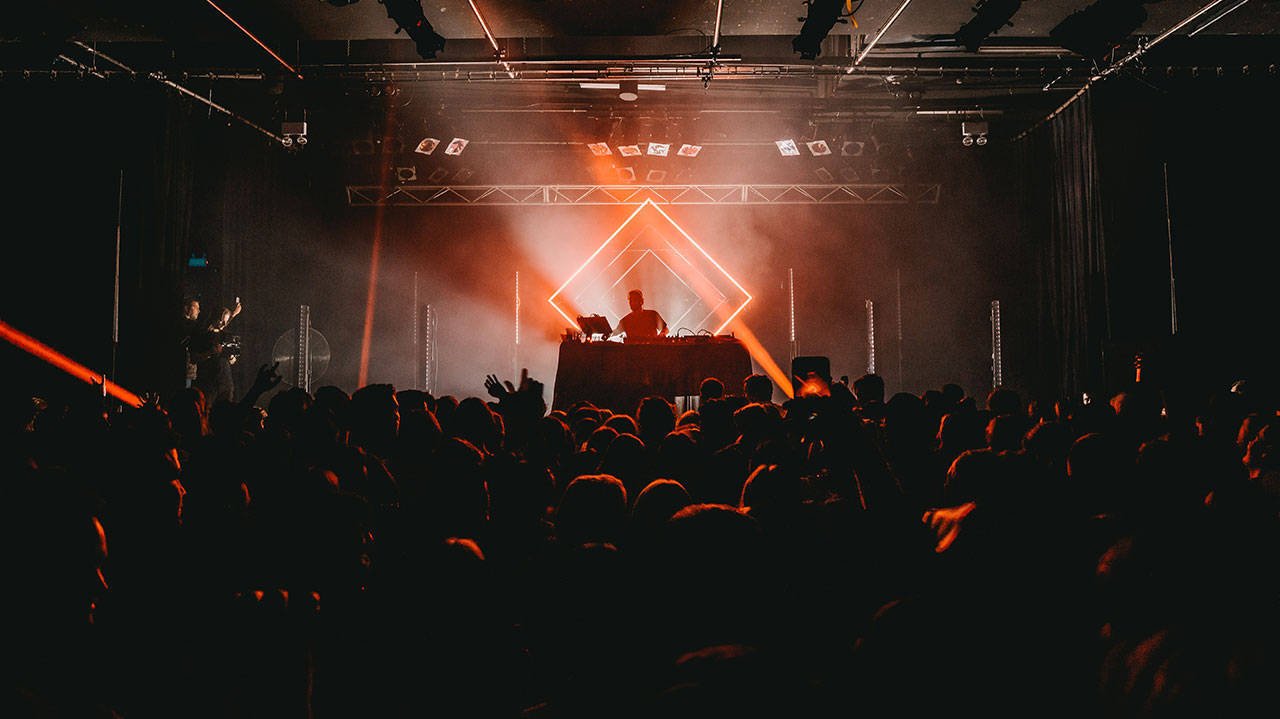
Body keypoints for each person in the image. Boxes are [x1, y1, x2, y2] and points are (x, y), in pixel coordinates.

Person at [191, 296, 242, 405]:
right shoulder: (203, 335)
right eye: (221, 321)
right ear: (214, 318)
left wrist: (231, 357)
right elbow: (193, 358)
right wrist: (210, 353)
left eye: (225, 322)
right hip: (208, 382)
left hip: (225, 381)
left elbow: (232, 360)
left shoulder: (225, 336)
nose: (223, 324)